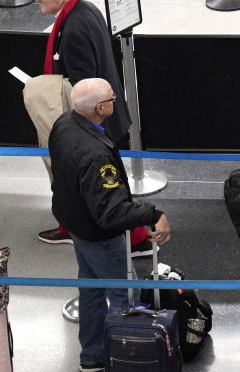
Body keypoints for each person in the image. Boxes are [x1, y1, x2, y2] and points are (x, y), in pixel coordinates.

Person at [24, 0, 154, 256]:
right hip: (103, 119)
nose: (37, 2)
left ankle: (134, 239)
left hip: (92, 125)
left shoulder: (74, 30)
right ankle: (80, 228)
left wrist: (82, 133)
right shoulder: (85, 11)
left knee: (103, 185)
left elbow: (83, 87)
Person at [49, 78, 172, 372]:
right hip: (99, 235)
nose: (115, 102)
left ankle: (92, 356)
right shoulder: (95, 154)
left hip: (77, 225)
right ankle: (129, 358)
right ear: (100, 108)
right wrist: (153, 214)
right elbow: (111, 212)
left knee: (91, 290)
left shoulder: (64, 124)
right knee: (125, 294)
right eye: (112, 99)